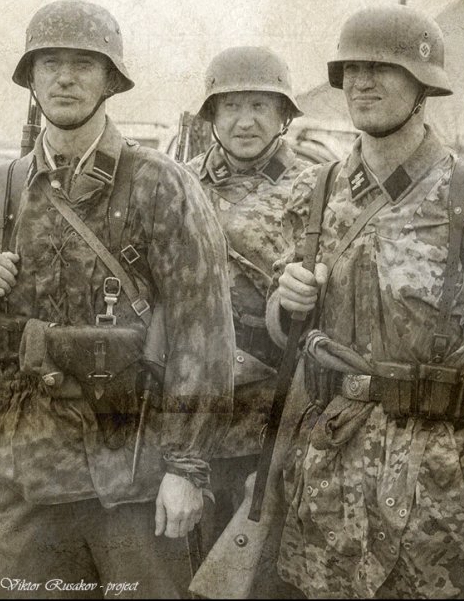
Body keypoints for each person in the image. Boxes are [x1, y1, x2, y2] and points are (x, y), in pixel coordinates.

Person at [0, 0, 234, 598]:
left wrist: (186, 467)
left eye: (83, 65)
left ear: (110, 80)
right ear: (31, 78)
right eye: (50, 64)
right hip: (28, 480)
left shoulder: (161, 185)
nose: (65, 78)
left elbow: (204, 335)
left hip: (134, 479)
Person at [268, 4, 464, 598]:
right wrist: (285, 305)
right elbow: (286, 340)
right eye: (352, 69)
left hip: (447, 498)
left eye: (383, 68)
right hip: (327, 489)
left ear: (424, 85)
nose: (362, 82)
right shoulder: (312, 193)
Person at [184, 45, 309, 552]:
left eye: (260, 105)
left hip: (276, 408)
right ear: (212, 115)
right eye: (231, 106)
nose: (245, 121)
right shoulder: (179, 183)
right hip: (191, 404)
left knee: (262, 556)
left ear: (283, 115)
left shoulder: (318, 186)